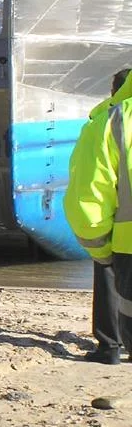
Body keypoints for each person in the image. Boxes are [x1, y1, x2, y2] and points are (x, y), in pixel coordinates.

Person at [64, 68, 132, 363]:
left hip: (124, 239)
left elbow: (90, 195)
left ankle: (110, 346)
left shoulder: (111, 121)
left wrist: (100, 247)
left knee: (107, 273)